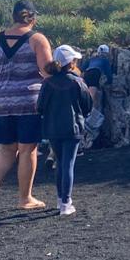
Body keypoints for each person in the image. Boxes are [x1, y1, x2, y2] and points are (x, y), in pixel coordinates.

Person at [0, 0, 51, 209]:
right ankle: (25, 198)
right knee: (28, 149)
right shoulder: (37, 39)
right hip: (27, 102)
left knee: (6, 148)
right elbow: (47, 71)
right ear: (33, 18)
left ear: (13, 17)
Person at [37, 45, 93, 216]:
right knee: (68, 163)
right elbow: (87, 105)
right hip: (73, 128)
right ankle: (66, 203)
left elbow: (40, 107)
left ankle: (60, 199)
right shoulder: (77, 82)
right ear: (71, 63)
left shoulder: (47, 83)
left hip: (52, 128)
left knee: (60, 163)